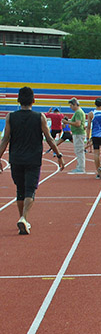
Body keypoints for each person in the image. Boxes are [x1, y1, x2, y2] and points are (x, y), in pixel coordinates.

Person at [0, 87, 65, 234]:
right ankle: (24, 218)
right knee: (30, 190)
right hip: (33, 159)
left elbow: (5, 139)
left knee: (20, 190)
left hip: (16, 158)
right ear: (33, 100)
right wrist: (59, 155)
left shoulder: (10, 117)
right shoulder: (40, 117)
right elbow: (49, 139)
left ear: (18, 100)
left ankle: (23, 219)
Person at [65, 97, 87, 174]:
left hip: (78, 133)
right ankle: (79, 167)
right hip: (77, 133)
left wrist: (68, 122)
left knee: (79, 151)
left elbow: (78, 124)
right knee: (78, 151)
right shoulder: (79, 112)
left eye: (71, 105)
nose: (70, 107)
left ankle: (80, 168)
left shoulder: (78, 112)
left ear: (75, 104)